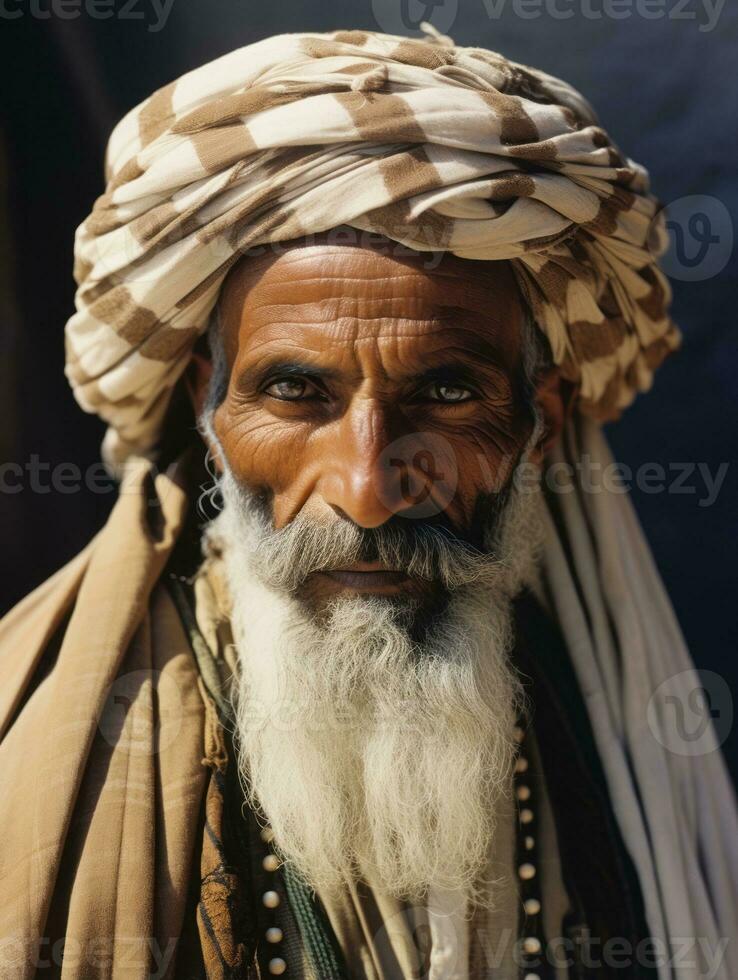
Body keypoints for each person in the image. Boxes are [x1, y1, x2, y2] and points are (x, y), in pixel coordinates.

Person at [0, 27, 735, 980]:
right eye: (297, 395)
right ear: (204, 406)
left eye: (447, 395)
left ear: (541, 423)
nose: (369, 490)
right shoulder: (32, 773)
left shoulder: (617, 733)